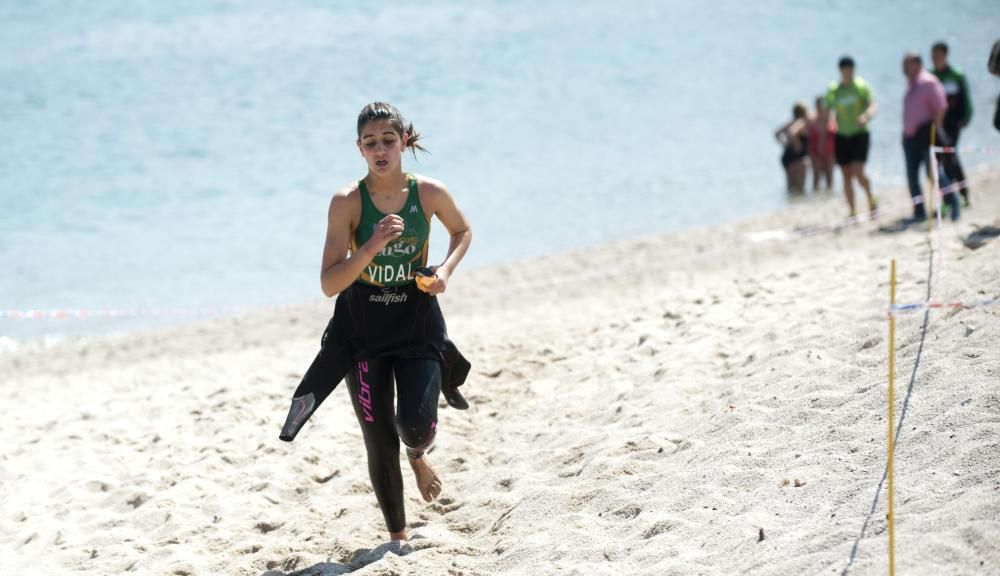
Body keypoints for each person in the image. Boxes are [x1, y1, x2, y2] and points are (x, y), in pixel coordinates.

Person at [309, 102, 473, 541]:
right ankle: (398, 538)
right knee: (380, 440)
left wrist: (444, 271)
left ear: (403, 142)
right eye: (370, 142)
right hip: (361, 330)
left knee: (414, 427)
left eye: (387, 140)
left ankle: (418, 455)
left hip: (416, 321)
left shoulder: (430, 194)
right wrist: (371, 246)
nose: (380, 149)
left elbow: (462, 231)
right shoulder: (347, 202)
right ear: (359, 149)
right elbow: (329, 283)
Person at [902, 53, 959, 222]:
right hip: (909, 138)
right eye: (904, 64)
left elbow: (941, 107)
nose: (905, 67)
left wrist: (933, 130)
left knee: (932, 172)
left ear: (918, 64)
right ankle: (919, 211)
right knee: (911, 175)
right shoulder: (910, 84)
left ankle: (952, 200)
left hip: (926, 137)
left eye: (908, 64)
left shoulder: (928, 81)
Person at [826, 56, 878, 218]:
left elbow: (872, 104)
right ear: (841, 71)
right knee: (846, 174)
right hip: (842, 135)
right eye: (845, 69)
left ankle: (870, 197)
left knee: (858, 171)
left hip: (860, 134)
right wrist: (831, 120)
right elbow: (831, 109)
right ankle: (852, 210)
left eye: (850, 69)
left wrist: (866, 116)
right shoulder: (835, 89)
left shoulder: (861, 86)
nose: (848, 72)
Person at [931, 41, 974, 206]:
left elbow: (966, 100)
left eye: (938, 56)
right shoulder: (931, 76)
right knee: (938, 160)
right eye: (933, 56)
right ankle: (947, 199)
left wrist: (965, 119)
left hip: (954, 124)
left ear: (945, 56)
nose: (935, 59)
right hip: (936, 125)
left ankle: (963, 194)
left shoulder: (957, 74)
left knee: (951, 156)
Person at [775, 101, 810, 194]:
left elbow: (776, 133)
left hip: (787, 155)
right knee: (800, 188)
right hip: (798, 157)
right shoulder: (801, 122)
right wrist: (797, 144)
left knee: (790, 187)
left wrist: (784, 144)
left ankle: (791, 204)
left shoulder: (789, 122)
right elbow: (792, 132)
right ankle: (800, 204)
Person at [807, 96, 837, 191]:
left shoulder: (833, 119)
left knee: (830, 177)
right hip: (815, 153)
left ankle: (829, 199)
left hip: (830, 153)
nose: (821, 107)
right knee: (816, 177)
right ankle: (816, 199)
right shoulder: (811, 119)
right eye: (819, 105)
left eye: (823, 105)